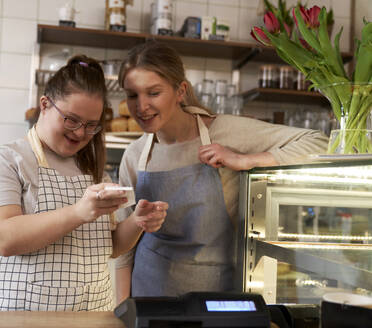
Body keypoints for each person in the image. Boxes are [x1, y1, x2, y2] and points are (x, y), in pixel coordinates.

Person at [114, 41, 329, 302]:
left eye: (154, 93)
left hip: (216, 297)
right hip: (149, 296)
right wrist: (122, 311)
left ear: (180, 90)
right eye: (133, 95)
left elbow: (321, 143)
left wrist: (245, 159)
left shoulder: (224, 131)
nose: (141, 106)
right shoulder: (134, 156)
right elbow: (124, 252)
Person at [0, 55, 168, 311]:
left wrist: (137, 222)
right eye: (71, 119)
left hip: (93, 318)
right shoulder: (9, 159)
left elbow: (109, 246)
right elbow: (4, 238)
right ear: (45, 105)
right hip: (23, 320)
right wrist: (78, 212)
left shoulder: (94, 171)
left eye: (91, 126)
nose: (79, 133)